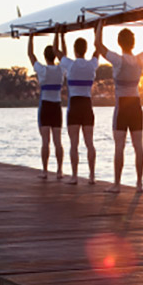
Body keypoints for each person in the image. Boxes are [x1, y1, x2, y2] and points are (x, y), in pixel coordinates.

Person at [95, 17, 143, 193]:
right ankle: (139, 184)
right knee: (138, 146)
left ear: (119, 43)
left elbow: (98, 46)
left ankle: (117, 184)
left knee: (119, 146)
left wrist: (100, 25)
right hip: (136, 106)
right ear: (133, 43)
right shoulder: (140, 60)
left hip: (122, 106)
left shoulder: (118, 60)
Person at [56, 25, 100, 185]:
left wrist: (59, 35)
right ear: (85, 49)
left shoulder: (70, 64)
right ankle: (92, 176)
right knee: (90, 143)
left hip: (74, 106)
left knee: (74, 143)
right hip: (87, 105)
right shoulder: (91, 65)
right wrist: (97, 30)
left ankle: (74, 176)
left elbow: (56, 51)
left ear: (75, 50)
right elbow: (98, 49)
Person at [28, 33, 64, 180]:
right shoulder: (61, 69)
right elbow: (64, 55)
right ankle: (60, 171)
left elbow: (30, 54)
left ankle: (45, 170)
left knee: (45, 141)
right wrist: (60, 36)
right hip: (56, 107)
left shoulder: (42, 70)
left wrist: (31, 37)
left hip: (45, 106)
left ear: (45, 56)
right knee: (57, 141)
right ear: (55, 55)